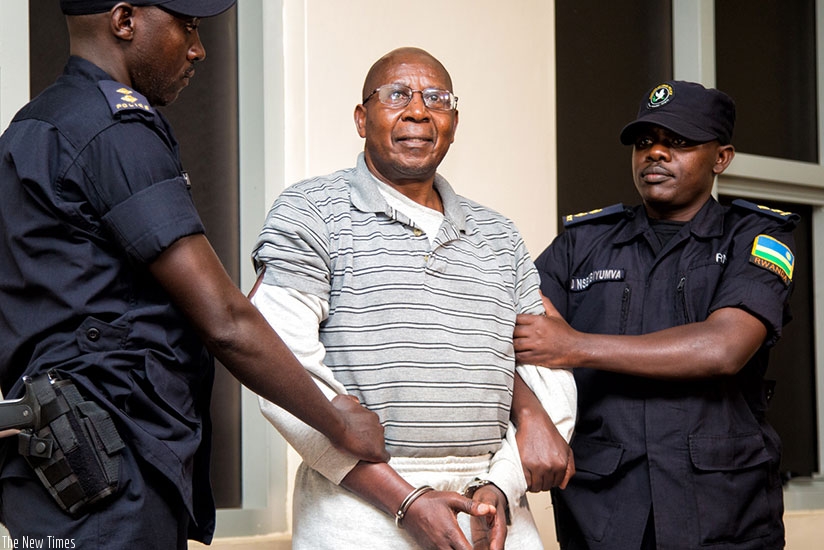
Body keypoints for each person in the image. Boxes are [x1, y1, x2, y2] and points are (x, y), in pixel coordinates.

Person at [0, 1, 388, 549]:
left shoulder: (30, 129)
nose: (198, 49)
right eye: (187, 27)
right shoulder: (115, 131)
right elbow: (225, 319)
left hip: (52, 472)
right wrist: (339, 424)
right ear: (124, 21)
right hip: (111, 469)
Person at [250, 46, 577, 549]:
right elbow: (277, 367)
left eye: (436, 98)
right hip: (357, 506)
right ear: (362, 119)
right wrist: (404, 499)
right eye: (397, 94)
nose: (418, 110)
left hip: (490, 508)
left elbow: (549, 370)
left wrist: (500, 486)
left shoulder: (498, 235)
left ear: (453, 121)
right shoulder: (311, 212)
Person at [514, 80, 797, 549]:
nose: (656, 154)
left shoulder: (755, 239)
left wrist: (575, 345)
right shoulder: (582, 244)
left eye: (679, 142)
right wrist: (533, 419)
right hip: (604, 509)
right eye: (645, 142)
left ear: (721, 157)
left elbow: (723, 347)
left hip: (723, 510)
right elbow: (510, 334)